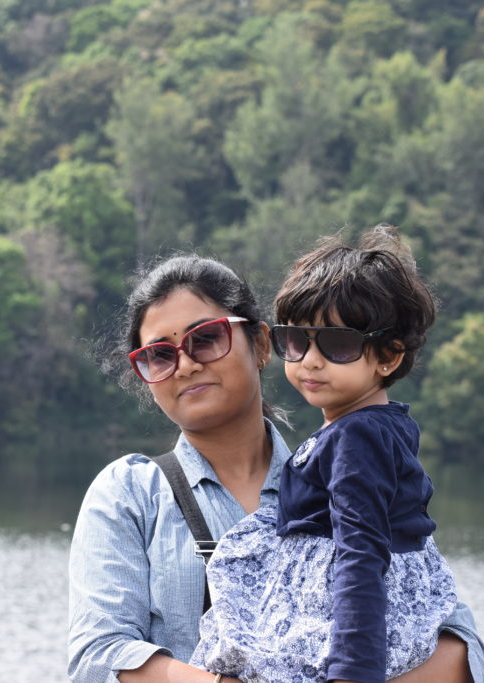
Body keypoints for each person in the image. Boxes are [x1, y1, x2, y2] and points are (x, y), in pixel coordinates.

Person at [67, 252, 484, 682]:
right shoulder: (131, 493)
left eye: (207, 338)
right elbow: (99, 655)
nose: (187, 364)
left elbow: (460, 643)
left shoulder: (342, 472)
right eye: (159, 355)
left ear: (262, 345)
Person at [188, 226, 460, 683]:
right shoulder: (371, 426)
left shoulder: (358, 439)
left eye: (337, 344)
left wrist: (353, 674)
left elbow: (361, 551)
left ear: (388, 357)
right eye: (297, 340)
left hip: (352, 627)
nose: (311, 360)